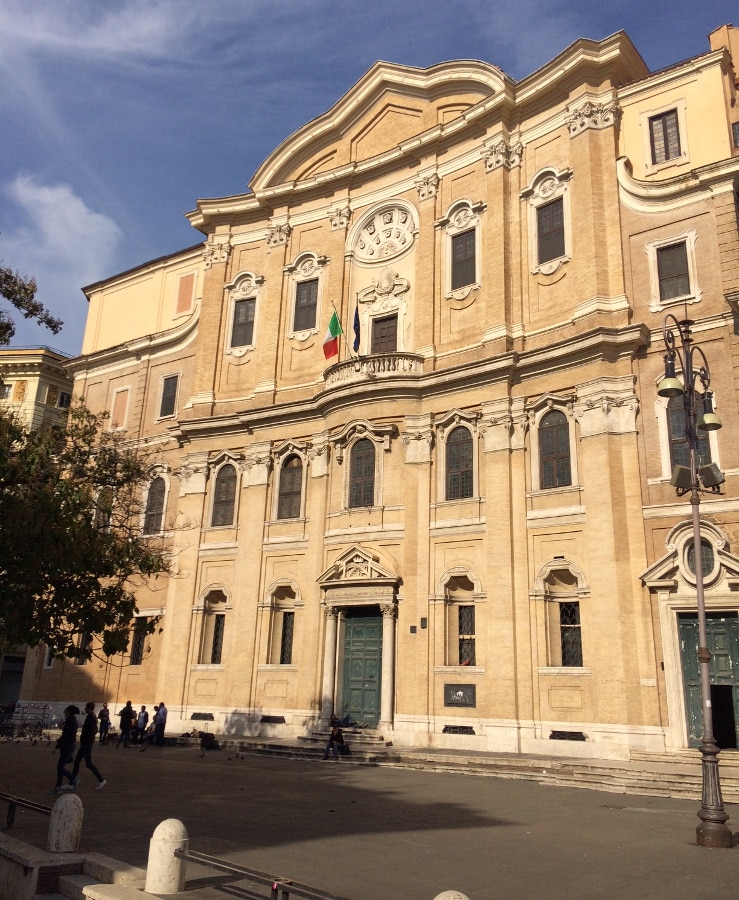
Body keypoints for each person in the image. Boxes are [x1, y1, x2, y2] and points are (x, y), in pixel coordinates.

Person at [70, 702, 106, 790]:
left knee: (88, 764)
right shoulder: (91, 717)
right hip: (86, 743)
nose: (85, 709)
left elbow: (92, 731)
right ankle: (71, 782)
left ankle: (101, 780)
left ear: (89, 708)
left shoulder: (91, 718)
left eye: (86, 708)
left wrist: (86, 738)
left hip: (87, 743)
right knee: (77, 762)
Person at [49, 705, 79, 794]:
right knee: (60, 767)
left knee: (60, 767)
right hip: (69, 745)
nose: (64, 710)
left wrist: (57, 746)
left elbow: (65, 736)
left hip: (67, 746)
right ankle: (58, 787)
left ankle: (73, 779)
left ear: (69, 711)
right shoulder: (72, 720)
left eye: (66, 709)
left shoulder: (70, 721)